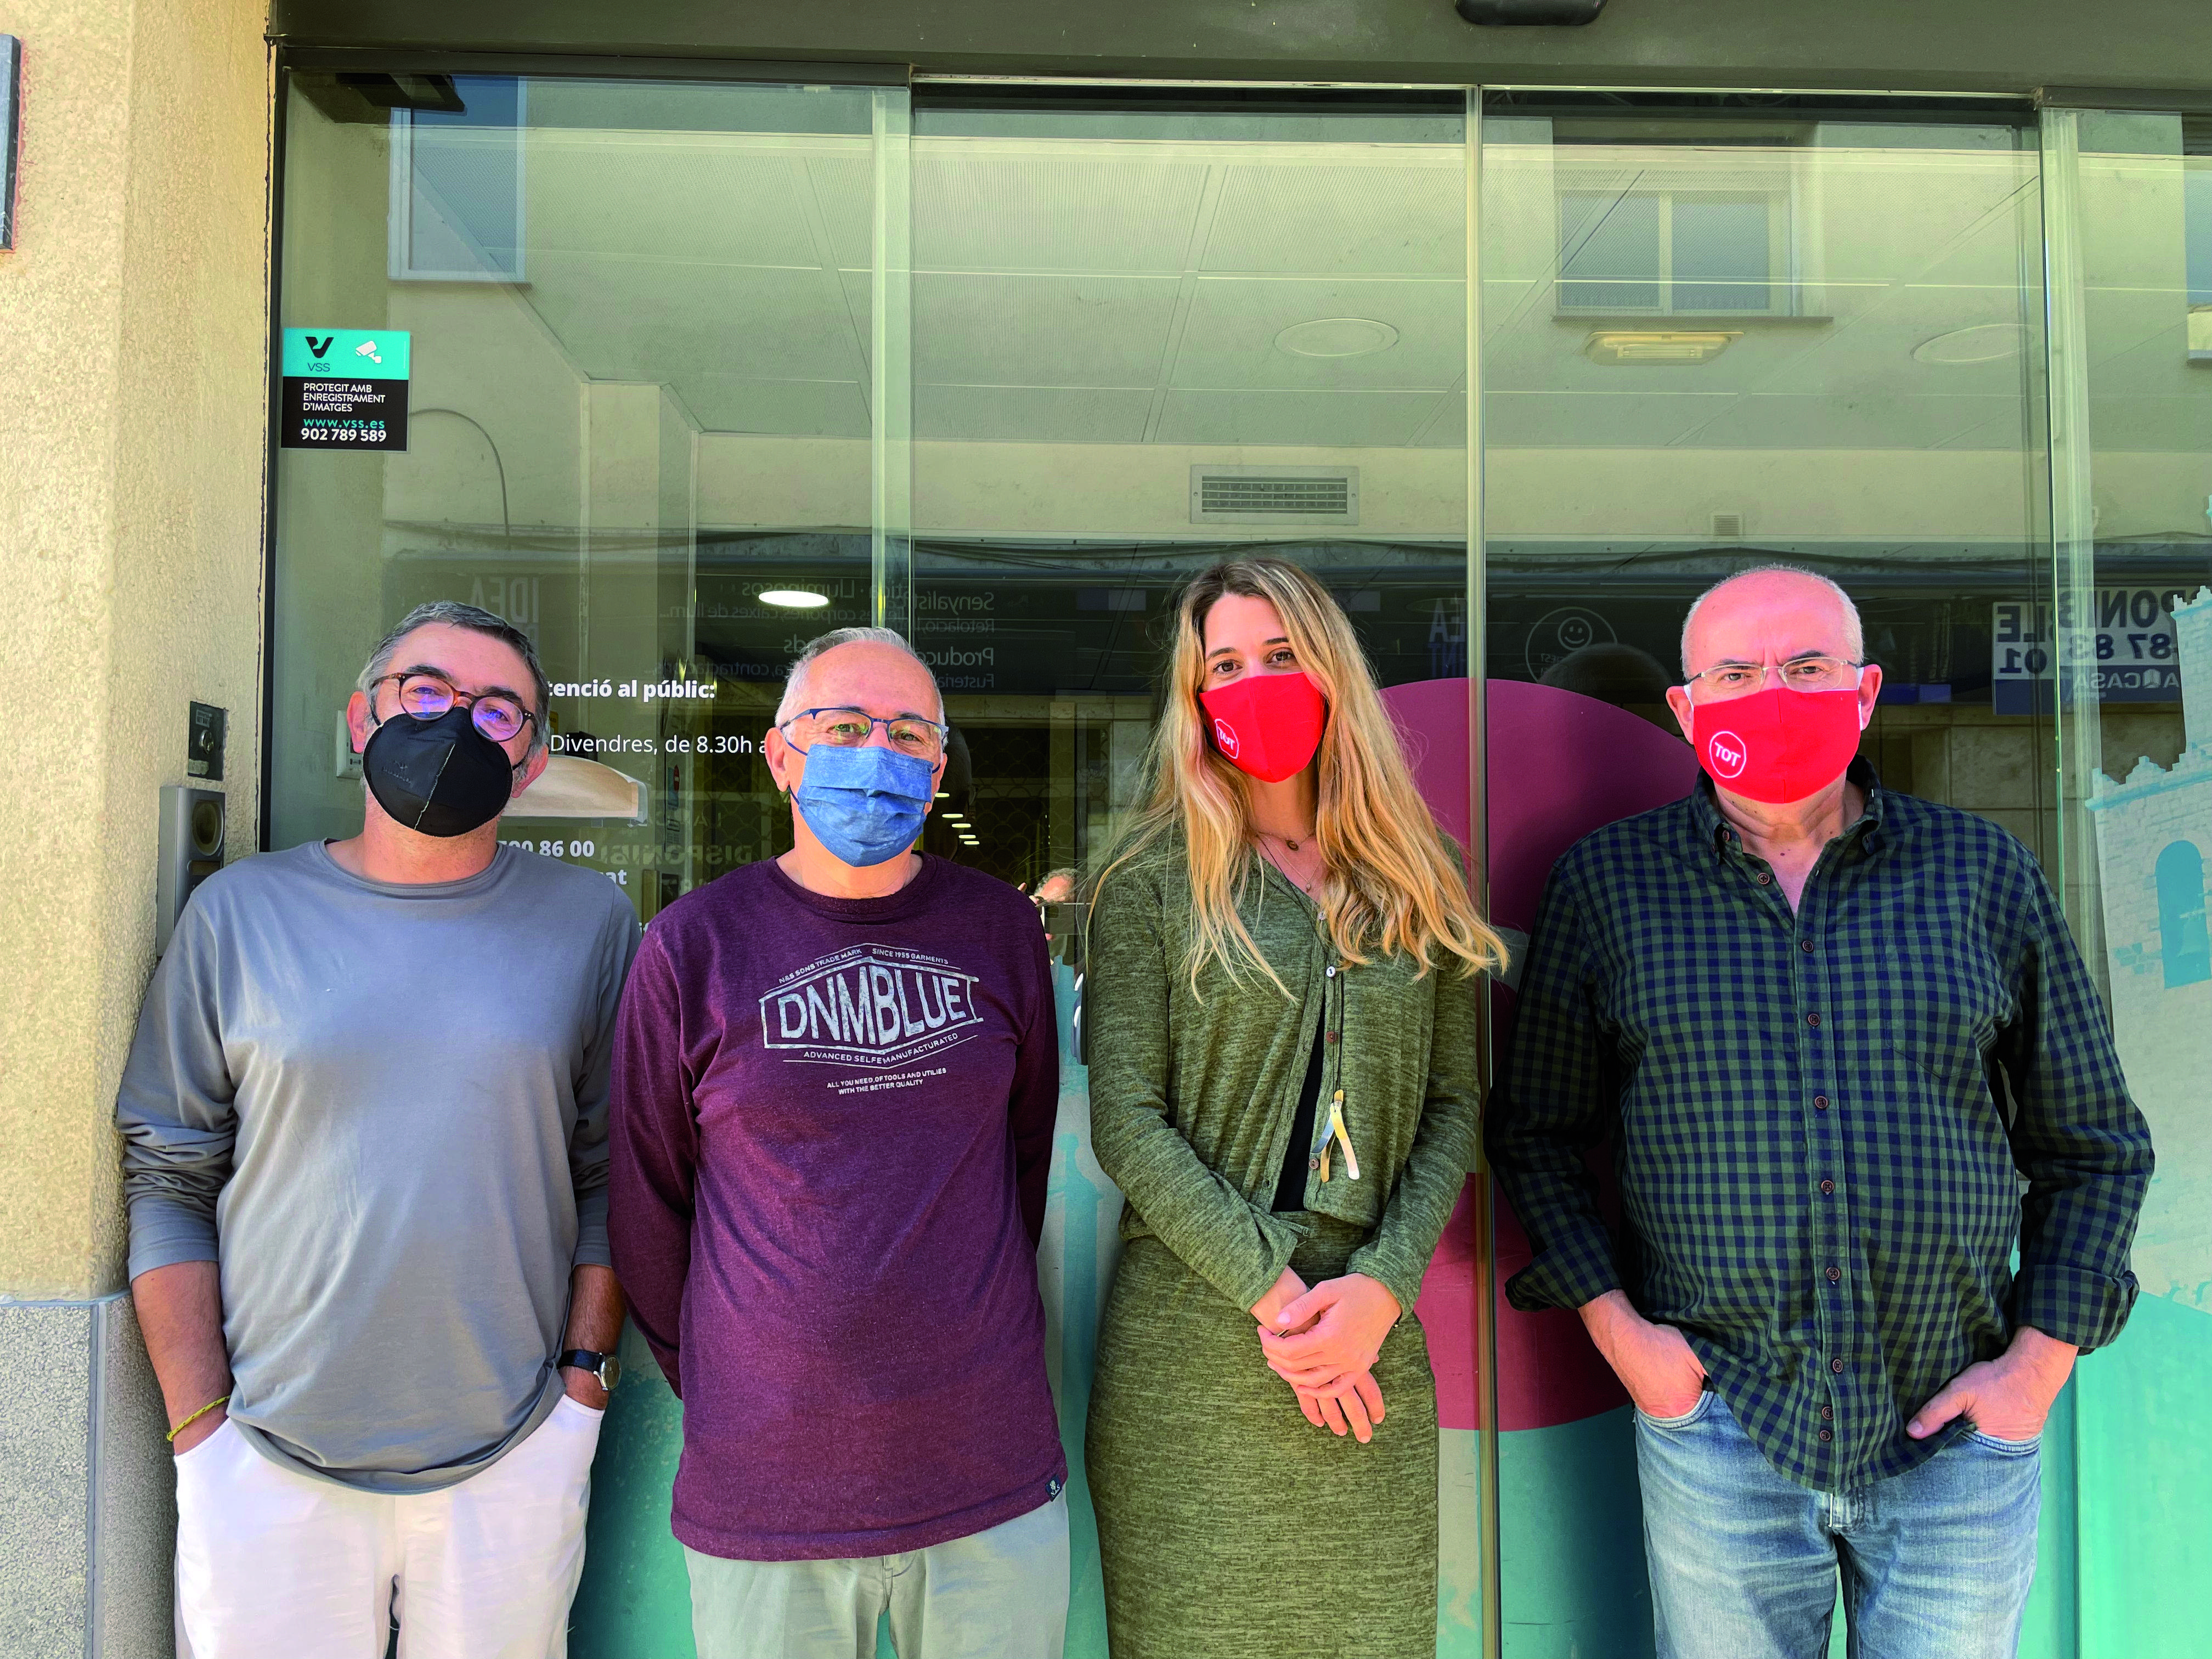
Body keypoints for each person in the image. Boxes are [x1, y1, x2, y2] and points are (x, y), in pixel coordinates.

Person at [1488, 565, 2155, 1659]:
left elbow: (2094, 1145)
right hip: (1720, 1430)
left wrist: (2035, 1368)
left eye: (1805, 667)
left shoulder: (1980, 873)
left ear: (1865, 690)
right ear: (1688, 709)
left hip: (1957, 1429)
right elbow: (1540, 1136)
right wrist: (1630, 1344)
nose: (1773, 693)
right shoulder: (1609, 888)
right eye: (1737, 673)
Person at [118, 601, 640, 1658]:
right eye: (428, 693)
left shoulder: (589, 922)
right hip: (263, 1460)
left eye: (501, 713)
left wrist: (582, 1392)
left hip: (512, 1458)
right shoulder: (238, 915)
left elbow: (614, 1174)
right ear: (363, 718)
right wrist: (199, 1429)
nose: (459, 725)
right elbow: (168, 1174)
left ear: (531, 763)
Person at [610, 627, 1069, 1659]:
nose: (879, 752)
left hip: (987, 1470)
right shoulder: (692, 945)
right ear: (781, 756)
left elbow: (1023, 1160)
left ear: (939, 767)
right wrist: (744, 1370)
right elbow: (647, 1198)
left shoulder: (999, 931)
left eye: (910, 733)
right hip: (766, 1485)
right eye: (846, 725)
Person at [1082, 558, 1503, 1659]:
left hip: (1372, 1344)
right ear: (1194, 695)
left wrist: (1378, 1289)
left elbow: (1457, 1107)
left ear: (1332, 673)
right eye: (1225, 664)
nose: (1254, 682)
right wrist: (1282, 1302)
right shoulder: (1147, 881)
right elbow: (1126, 1123)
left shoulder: (1423, 875)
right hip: (1196, 1353)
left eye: (1281, 657)